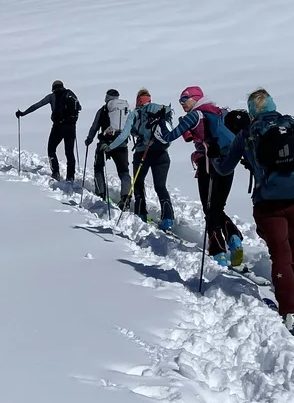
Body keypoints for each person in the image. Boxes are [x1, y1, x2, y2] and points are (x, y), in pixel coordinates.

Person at [215, 88, 294, 339]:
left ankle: (289, 311)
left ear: (251, 110)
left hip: (269, 203)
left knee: (280, 252)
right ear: (272, 104)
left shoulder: (246, 133)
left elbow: (225, 169)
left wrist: (214, 159)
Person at [153, 86, 244, 267]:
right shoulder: (219, 112)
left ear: (195, 98)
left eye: (184, 99)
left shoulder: (194, 115)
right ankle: (234, 239)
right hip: (227, 163)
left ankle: (218, 253)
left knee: (209, 209)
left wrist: (162, 121)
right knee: (218, 207)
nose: (182, 103)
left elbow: (168, 136)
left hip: (207, 165)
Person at [106, 88, 175, 231]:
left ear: (138, 101)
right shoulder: (160, 110)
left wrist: (110, 147)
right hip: (162, 153)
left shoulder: (135, 113)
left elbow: (124, 135)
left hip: (143, 153)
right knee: (161, 187)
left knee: (138, 183)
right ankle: (168, 218)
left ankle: (141, 213)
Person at [16, 80, 81, 181]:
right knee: (69, 153)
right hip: (71, 127)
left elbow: (37, 105)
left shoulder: (52, 96)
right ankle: (70, 177)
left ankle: (55, 173)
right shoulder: (71, 95)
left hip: (58, 127)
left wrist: (23, 113)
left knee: (51, 149)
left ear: (53, 88)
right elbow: (79, 108)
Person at [84, 89, 131, 202]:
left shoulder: (103, 110)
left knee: (99, 168)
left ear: (107, 97)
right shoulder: (125, 110)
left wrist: (89, 139)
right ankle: (126, 199)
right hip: (121, 143)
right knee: (124, 172)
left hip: (105, 143)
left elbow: (95, 126)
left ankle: (100, 194)